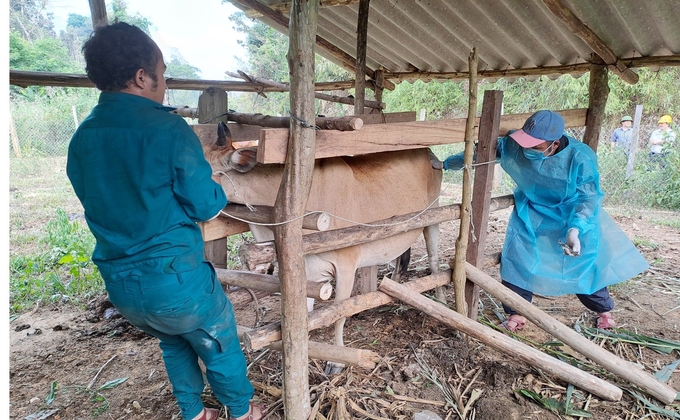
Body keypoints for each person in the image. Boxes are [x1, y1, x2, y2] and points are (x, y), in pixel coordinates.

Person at [66, 22, 263, 420]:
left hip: (122, 287)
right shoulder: (168, 128)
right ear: (142, 77)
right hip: (175, 283)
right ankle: (242, 410)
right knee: (217, 334)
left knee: (174, 342)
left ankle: (193, 412)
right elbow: (206, 206)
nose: (165, 83)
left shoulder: (82, 136)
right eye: (163, 73)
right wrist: (215, 183)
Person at [442, 110, 649, 332]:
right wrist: (445, 163)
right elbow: (479, 155)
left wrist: (575, 230)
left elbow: (588, 197)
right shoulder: (513, 146)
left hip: (570, 214)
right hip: (530, 211)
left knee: (582, 261)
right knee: (517, 258)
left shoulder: (579, 158)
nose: (527, 149)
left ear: (555, 143)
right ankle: (516, 312)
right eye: (525, 143)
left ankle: (603, 310)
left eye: (536, 146)